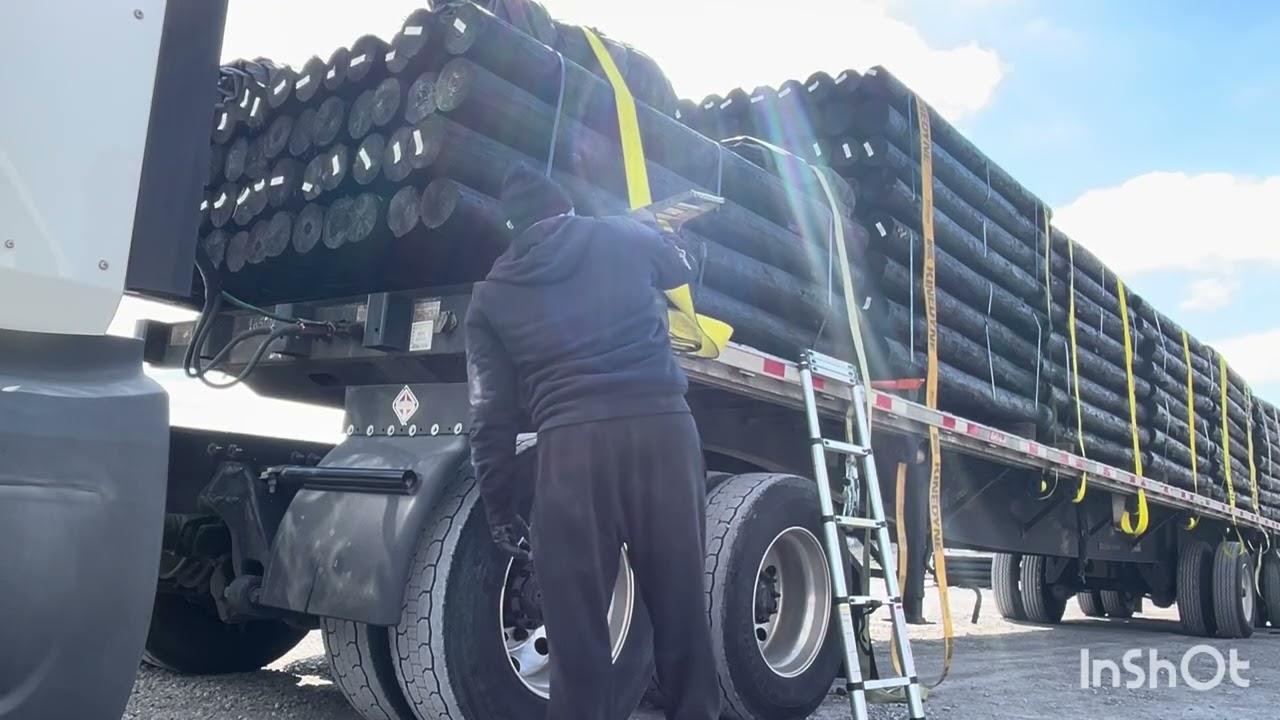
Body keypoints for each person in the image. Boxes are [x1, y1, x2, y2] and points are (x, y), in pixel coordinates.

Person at [465, 163, 720, 720]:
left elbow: (489, 411)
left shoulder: (490, 296)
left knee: (577, 635)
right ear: (565, 208)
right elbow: (679, 268)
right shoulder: (620, 233)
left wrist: (499, 505)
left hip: (570, 453)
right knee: (681, 610)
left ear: (513, 230)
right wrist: (670, 233)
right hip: (663, 434)